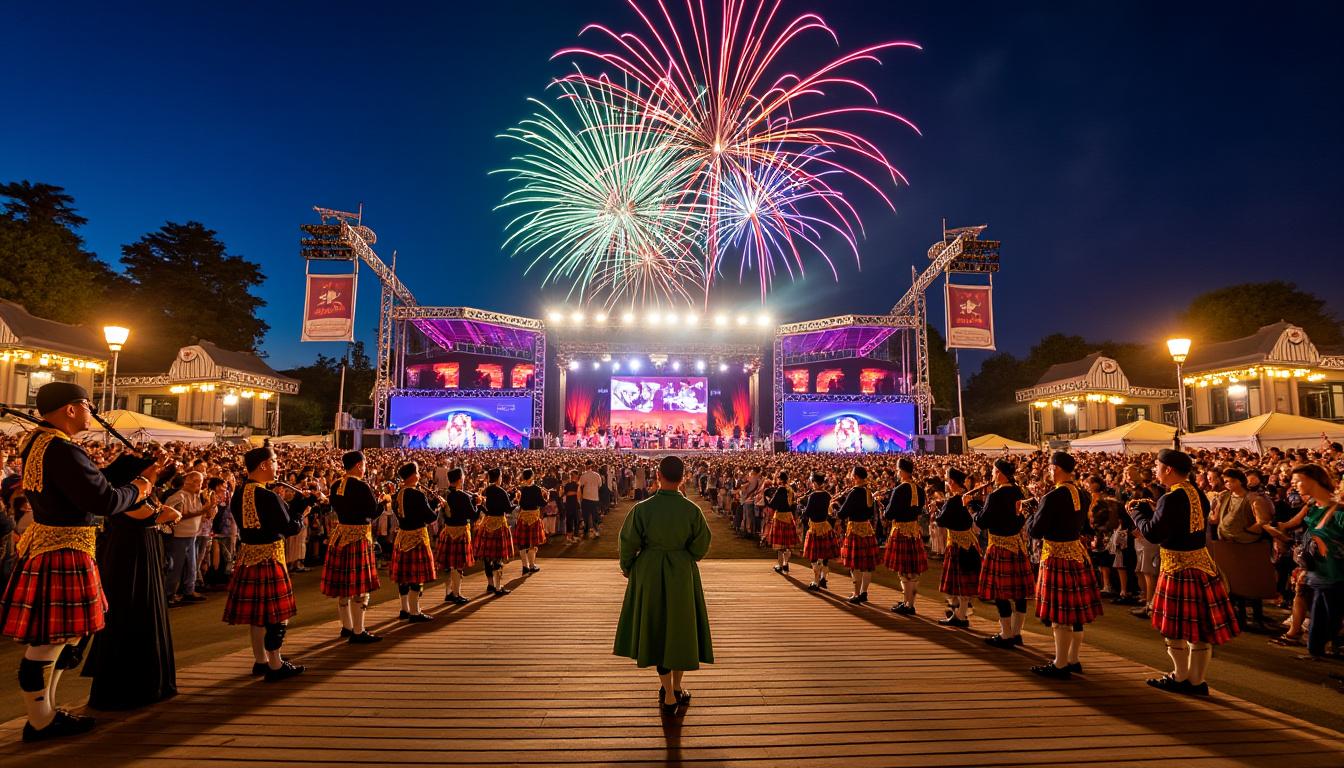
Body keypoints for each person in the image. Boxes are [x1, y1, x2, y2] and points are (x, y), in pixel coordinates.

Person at [0, 383, 164, 742]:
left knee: (64, 636)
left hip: (56, 546)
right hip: (65, 549)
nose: (93, 412)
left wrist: (127, 466)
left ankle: (47, 712)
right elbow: (103, 500)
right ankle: (41, 719)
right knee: (49, 640)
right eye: (88, 405)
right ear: (70, 409)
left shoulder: (41, 444)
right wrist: (141, 485)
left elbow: (84, 486)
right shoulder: (61, 449)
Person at [1128, 449, 1240, 696]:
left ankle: (1180, 676)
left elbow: (1154, 533)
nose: (1155, 470)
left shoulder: (1172, 498)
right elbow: (1177, 523)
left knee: (1174, 627)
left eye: (1157, 465)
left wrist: (1136, 513)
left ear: (1168, 469)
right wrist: (1154, 511)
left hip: (1178, 568)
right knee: (1199, 629)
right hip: (1200, 566)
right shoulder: (1196, 493)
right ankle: (1197, 680)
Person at [83, 453, 184, 711]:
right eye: (151, 469)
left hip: (144, 550)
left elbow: (158, 506)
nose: (155, 472)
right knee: (132, 608)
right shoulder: (128, 494)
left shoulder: (140, 491)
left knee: (147, 608)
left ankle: (151, 682)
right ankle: (129, 686)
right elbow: (152, 515)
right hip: (129, 557)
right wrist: (164, 511)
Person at [613, 455, 713, 715]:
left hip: (649, 571)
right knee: (681, 628)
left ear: (657, 475)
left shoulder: (642, 509)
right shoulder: (692, 510)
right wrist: (685, 558)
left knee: (656, 628)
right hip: (681, 572)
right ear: (684, 478)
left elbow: (628, 543)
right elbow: (702, 544)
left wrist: (629, 568)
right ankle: (677, 688)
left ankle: (668, 693)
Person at [222, 447, 316, 682]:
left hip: (248, 557)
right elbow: (289, 527)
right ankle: (275, 663)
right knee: (276, 614)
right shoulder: (268, 496)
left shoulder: (240, 492)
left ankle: (261, 661)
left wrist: (297, 506)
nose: (277, 466)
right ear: (263, 465)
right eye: (274, 461)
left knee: (257, 614)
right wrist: (304, 511)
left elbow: (276, 519)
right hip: (270, 557)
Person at [1027, 451, 1102, 680]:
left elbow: (1035, 530)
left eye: (1050, 468)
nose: (1048, 471)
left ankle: (1060, 663)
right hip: (1077, 554)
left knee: (1061, 614)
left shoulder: (1053, 497)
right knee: (1075, 613)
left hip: (1057, 556)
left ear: (1056, 468)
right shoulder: (1082, 493)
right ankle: (1073, 659)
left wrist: (1032, 512)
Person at [321, 451, 382, 644]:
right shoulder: (361, 486)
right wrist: (385, 502)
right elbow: (372, 512)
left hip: (340, 536)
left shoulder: (336, 484)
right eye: (363, 464)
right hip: (358, 538)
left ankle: (347, 626)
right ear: (357, 465)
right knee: (359, 588)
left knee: (343, 586)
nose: (364, 468)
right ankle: (359, 630)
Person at [975, 459, 1031, 647]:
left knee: (1001, 592)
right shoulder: (1018, 492)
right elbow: (1020, 518)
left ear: (999, 473)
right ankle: (1017, 633)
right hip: (1016, 544)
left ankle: (1006, 634)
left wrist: (971, 507)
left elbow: (982, 522)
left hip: (999, 546)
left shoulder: (995, 495)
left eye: (993, 471)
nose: (991, 475)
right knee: (1019, 593)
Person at [390, 461, 439, 622]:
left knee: (403, 576)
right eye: (417, 472)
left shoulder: (397, 494)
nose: (419, 475)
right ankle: (415, 612)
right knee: (416, 577)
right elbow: (430, 517)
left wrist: (430, 503)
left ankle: (404, 609)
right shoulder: (417, 494)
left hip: (402, 536)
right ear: (412, 475)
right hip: (417, 537)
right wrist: (438, 506)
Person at [936, 467, 980, 627]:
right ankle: (958, 611)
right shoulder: (966, 496)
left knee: (958, 584)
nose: (946, 483)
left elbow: (941, 520)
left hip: (958, 544)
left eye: (947, 480)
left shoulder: (955, 500)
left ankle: (960, 614)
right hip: (968, 542)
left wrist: (937, 511)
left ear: (952, 482)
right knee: (960, 584)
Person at [883, 457, 927, 615]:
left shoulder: (900, 489)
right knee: (913, 571)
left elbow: (889, 513)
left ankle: (907, 604)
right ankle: (910, 603)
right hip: (914, 531)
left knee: (903, 571)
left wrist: (885, 506)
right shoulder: (919, 489)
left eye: (897, 470)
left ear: (902, 471)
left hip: (901, 531)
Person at [435, 467, 477, 604]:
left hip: (447, 532)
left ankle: (448, 593)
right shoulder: (463, 496)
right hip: (460, 532)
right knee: (458, 565)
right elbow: (473, 515)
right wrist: (478, 504)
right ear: (460, 479)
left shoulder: (445, 494)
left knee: (448, 565)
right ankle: (456, 593)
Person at [837, 466, 878, 604]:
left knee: (855, 564)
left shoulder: (854, 492)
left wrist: (836, 507)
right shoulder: (868, 491)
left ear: (856, 477)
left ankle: (856, 593)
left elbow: (843, 513)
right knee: (867, 564)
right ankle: (864, 592)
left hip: (855, 529)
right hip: (867, 528)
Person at [475, 467, 516, 595]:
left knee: (487, 556)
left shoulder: (485, 491)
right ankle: (498, 587)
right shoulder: (501, 491)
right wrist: (515, 501)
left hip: (487, 524)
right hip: (499, 524)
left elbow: (483, 507)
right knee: (498, 556)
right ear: (499, 477)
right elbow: (508, 509)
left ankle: (490, 584)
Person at [801, 472, 837, 591]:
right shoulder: (827, 495)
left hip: (815, 528)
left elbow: (808, 512)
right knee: (824, 556)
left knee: (814, 556)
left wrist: (803, 511)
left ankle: (816, 581)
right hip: (825, 526)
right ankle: (823, 578)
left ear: (815, 482)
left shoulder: (813, 496)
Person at [513, 468, 548, 573]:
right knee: (533, 543)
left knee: (522, 543)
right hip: (533, 517)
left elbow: (521, 504)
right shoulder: (537, 489)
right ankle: (532, 565)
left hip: (523, 517)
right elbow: (542, 503)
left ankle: (525, 566)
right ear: (532, 476)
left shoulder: (521, 489)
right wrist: (547, 497)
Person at [766, 471, 798, 573]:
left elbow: (772, 504)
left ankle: (780, 565)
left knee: (780, 545)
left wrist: (767, 498)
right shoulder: (791, 489)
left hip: (780, 517)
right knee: (787, 544)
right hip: (789, 517)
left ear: (780, 479)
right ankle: (786, 563)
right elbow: (793, 505)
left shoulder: (781, 489)